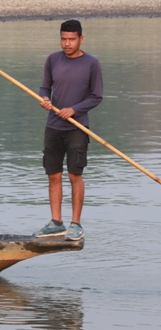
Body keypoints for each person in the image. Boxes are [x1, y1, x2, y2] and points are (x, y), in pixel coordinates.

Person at [34, 20, 103, 241]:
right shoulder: (53, 59)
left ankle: (76, 224)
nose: (67, 43)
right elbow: (46, 86)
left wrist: (74, 109)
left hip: (77, 127)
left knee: (75, 174)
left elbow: (96, 96)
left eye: (71, 39)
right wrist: (44, 98)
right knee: (53, 174)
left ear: (81, 39)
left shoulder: (92, 63)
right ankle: (56, 223)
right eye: (63, 38)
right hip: (53, 126)